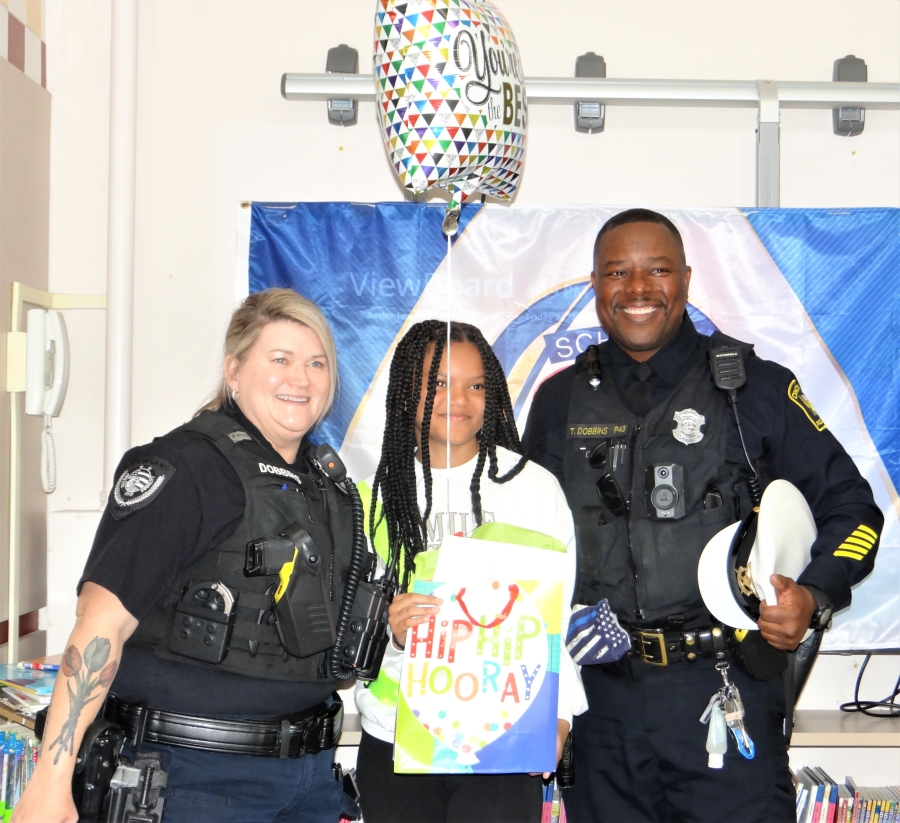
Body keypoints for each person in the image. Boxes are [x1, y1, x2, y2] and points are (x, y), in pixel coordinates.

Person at [521, 209, 883, 823]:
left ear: (686, 279)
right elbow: (524, 540)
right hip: (602, 706)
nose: (637, 289)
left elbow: (855, 510)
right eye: (618, 272)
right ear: (595, 285)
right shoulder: (559, 401)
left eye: (657, 270)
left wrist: (814, 594)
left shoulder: (756, 389)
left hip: (724, 686)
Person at [14, 289, 360, 823]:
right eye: (281, 359)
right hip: (195, 778)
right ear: (235, 371)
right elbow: (100, 623)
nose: (302, 378)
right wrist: (51, 778)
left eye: (317, 364)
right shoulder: (186, 468)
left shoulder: (326, 487)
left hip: (310, 777)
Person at [353, 320, 587, 823]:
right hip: (396, 737)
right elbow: (347, 631)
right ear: (405, 391)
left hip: (505, 736)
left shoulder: (533, 487)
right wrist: (391, 633)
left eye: (476, 384)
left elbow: (558, 616)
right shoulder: (371, 496)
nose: (458, 398)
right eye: (437, 382)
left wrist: (559, 715)